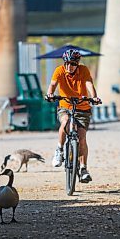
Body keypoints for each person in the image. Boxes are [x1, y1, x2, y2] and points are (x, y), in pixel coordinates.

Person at [45, 48, 101, 183]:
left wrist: (94, 97)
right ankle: (59, 150)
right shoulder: (59, 71)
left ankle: (83, 168)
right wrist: (50, 95)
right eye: (67, 63)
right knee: (66, 123)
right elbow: (52, 85)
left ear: (77, 63)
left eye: (73, 64)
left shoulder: (84, 70)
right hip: (65, 106)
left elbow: (89, 84)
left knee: (81, 138)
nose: (69, 66)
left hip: (83, 108)